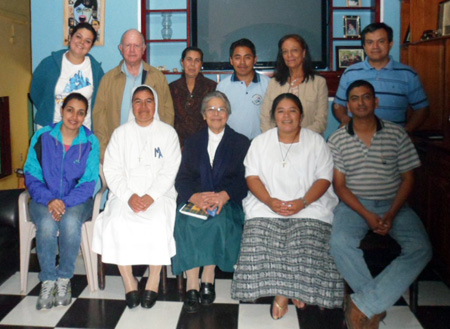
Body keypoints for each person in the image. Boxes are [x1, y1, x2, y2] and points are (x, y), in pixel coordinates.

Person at [327, 80, 432, 329]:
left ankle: (363, 305)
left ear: (376, 102)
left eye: (366, 97)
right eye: (354, 98)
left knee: (422, 248)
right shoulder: (338, 138)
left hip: (394, 203)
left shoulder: (397, 133)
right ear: (348, 105)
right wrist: (366, 215)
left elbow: (408, 178)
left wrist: (392, 213)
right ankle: (372, 305)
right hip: (354, 205)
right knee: (339, 242)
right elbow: (340, 186)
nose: (360, 102)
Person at [232, 93, 343, 320]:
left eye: (292, 110)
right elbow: (252, 177)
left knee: (305, 235)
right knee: (259, 234)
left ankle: (284, 293)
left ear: (301, 115)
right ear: (274, 116)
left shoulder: (315, 141)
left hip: (309, 203)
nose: (287, 116)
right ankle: (296, 288)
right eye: (281, 111)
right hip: (266, 203)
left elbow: (324, 178)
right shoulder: (261, 142)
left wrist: (302, 202)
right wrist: (270, 201)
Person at [92, 85, 181, 309]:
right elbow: (112, 170)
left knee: (159, 221)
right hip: (125, 194)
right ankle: (129, 280)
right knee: (116, 221)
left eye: (148, 101)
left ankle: (152, 280)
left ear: (155, 104)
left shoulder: (167, 133)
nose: (143, 106)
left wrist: (150, 196)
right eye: (138, 101)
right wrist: (129, 196)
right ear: (132, 106)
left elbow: (170, 170)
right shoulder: (121, 133)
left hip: (159, 194)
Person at [171, 91, 250, 313]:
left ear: (228, 113)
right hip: (196, 198)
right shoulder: (193, 142)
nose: (216, 114)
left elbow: (246, 180)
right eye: (211, 110)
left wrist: (224, 196)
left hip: (226, 201)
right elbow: (182, 179)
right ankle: (192, 281)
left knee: (217, 222)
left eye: (221, 109)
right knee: (187, 222)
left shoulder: (241, 142)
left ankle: (209, 274)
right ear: (203, 115)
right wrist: (195, 197)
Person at [24, 93, 100, 310]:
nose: (74, 116)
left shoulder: (90, 141)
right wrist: (50, 200)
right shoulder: (43, 136)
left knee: (69, 223)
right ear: (62, 110)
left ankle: (64, 279)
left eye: (80, 112)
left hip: (77, 200)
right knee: (46, 225)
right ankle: (48, 281)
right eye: (70, 110)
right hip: (43, 198)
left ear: (85, 116)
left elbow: (89, 182)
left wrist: (63, 203)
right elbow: (32, 173)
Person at [93, 29, 174, 160]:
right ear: (121, 48)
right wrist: (104, 153)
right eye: (127, 45)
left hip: (151, 152)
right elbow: (99, 119)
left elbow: (167, 114)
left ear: (143, 49)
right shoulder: (108, 80)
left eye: (136, 46)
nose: (132, 50)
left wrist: (163, 148)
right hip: (118, 152)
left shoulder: (158, 78)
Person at [333, 23, 429, 131]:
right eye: (370, 42)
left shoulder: (408, 74)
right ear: (364, 46)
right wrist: (345, 120)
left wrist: (405, 132)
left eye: (381, 41)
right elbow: (338, 105)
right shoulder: (350, 73)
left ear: (390, 44)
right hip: (356, 137)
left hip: (393, 141)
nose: (375, 47)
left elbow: (422, 108)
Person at [30, 22, 104, 130]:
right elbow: (36, 92)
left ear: (91, 46)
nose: (81, 42)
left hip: (81, 131)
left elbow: (100, 102)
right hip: (50, 128)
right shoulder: (49, 63)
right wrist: (47, 111)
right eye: (78, 37)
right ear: (70, 37)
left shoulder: (96, 70)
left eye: (87, 41)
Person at [260, 34, 329, 135]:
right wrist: (276, 139)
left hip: (309, 143)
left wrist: (298, 137)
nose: (289, 55)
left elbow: (321, 121)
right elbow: (265, 117)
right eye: (285, 52)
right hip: (277, 143)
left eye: (294, 50)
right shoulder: (274, 83)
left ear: (303, 53)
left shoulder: (319, 83)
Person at [216, 38, 270, 140]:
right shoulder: (222, 87)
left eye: (247, 57)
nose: (242, 62)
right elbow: (219, 118)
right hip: (232, 144)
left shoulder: (268, 84)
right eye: (237, 58)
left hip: (261, 143)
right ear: (231, 60)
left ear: (255, 59)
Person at [169, 47, 217, 147]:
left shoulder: (212, 87)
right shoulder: (172, 88)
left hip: (205, 143)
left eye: (197, 60)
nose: (192, 64)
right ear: (182, 62)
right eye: (189, 59)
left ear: (201, 64)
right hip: (178, 144)